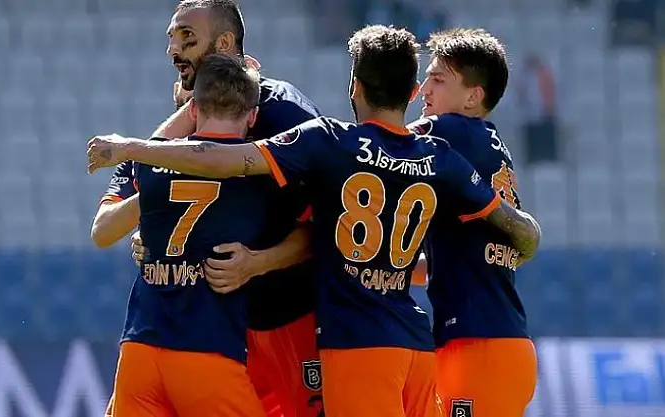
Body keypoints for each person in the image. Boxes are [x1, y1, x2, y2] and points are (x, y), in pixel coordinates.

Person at [86, 24, 542, 417]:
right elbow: (512, 224)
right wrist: (527, 240)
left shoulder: (332, 142)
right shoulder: (439, 157)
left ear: (354, 87)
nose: (426, 92)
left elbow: (222, 158)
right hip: (418, 341)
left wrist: (131, 149)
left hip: (360, 343)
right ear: (409, 92)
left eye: (437, 81)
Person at [91, 1, 324, 416]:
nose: (173, 50)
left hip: (285, 316)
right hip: (214, 330)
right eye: (171, 39)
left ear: (225, 43)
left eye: (187, 38)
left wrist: (258, 263)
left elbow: (327, 223)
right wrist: (154, 221)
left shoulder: (285, 114)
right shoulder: (177, 133)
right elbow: (120, 213)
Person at [407, 28, 539, 417]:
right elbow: (462, 257)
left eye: (437, 79)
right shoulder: (489, 146)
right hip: (498, 343)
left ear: (472, 96)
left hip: (478, 346)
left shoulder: (449, 130)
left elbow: (382, 141)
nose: (424, 90)